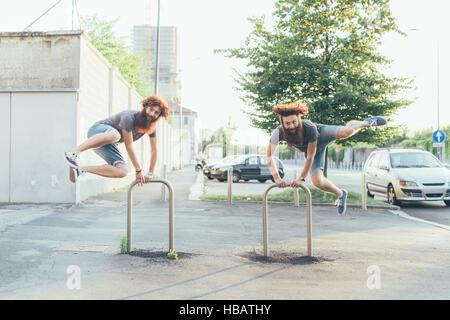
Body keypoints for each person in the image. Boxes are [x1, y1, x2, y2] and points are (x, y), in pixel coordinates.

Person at [267, 101, 387, 214]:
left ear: (299, 119)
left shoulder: (309, 127)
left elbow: (310, 156)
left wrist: (301, 178)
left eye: (294, 122)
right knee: (317, 182)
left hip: (321, 134)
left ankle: (365, 123)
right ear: (282, 123)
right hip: (315, 150)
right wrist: (277, 178)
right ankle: (340, 194)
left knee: (347, 132)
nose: (291, 126)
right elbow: (269, 156)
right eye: (287, 123)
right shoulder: (278, 132)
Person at [64, 95, 169, 186]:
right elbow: (129, 146)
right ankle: (73, 152)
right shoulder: (129, 117)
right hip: (98, 131)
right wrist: (138, 170)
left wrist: (150, 173)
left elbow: (154, 150)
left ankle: (79, 169)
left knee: (122, 171)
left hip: (108, 142)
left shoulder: (150, 128)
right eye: (151, 109)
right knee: (115, 136)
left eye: (156, 113)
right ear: (145, 107)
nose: (152, 114)